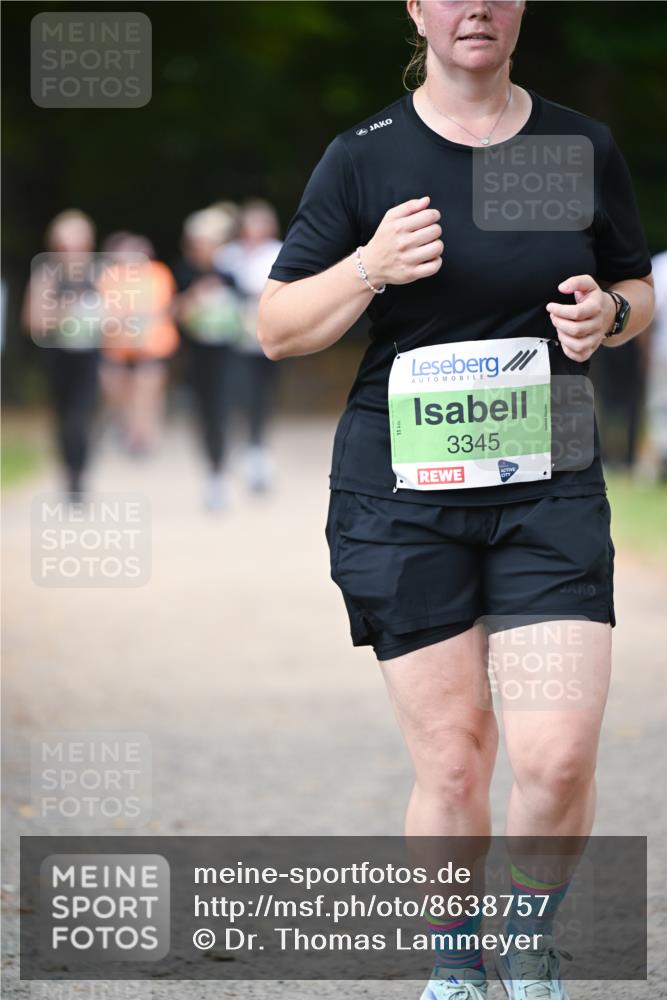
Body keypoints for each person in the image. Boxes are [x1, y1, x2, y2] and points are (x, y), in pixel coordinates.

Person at [258, 3, 655, 999]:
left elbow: (633, 285)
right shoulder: (366, 157)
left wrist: (608, 315)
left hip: (548, 479)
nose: (473, 6)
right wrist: (367, 266)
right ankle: (455, 962)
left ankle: (527, 939)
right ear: (417, 9)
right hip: (403, 491)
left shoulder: (572, 145)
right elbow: (276, 326)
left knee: (556, 756)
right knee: (454, 759)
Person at [22, 209, 101, 497]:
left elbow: (119, 317)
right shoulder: (46, 275)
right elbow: (32, 321)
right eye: (64, 246)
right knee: (63, 418)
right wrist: (64, 313)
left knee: (81, 417)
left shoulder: (99, 273)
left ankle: (80, 473)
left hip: (90, 357)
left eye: (78, 245)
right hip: (57, 357)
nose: (71, 252)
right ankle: (69, 471)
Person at [172, 205, 244, 511]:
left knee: (224, 412)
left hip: (227, 355)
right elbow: (173, 313)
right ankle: (211, 469)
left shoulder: (228, 276)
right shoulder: (183, 273)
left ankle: (220, 470)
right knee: (203, 416)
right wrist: (195, 295)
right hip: (195, 359)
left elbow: (243, 315)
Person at [214, 199, 283, 493]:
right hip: (234, 339)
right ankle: (237, 450)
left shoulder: (277, 252)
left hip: (267, 339)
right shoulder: (228, 256)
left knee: (262, 397)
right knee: (236, 395)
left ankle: (257, 449)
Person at [99, 232, 179, 455]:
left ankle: (143, 434)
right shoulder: (110, 275)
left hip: (152, 345)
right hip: (117, 347)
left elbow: (160, 306)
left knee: (147, 388)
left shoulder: (158, 274)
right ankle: (126, 425)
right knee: (116, 387)